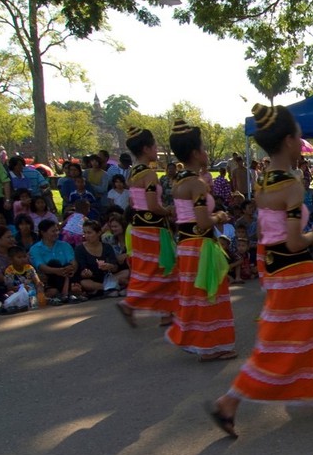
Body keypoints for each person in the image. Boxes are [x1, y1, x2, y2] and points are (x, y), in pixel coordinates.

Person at [208, 103, 313, 437]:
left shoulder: (263, 183)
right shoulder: (291, 186)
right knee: (279, 345)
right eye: (299, 137)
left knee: (312, 336)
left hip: (277, 270)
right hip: (295, 271)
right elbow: (293, 241)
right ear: (290, 140)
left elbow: (268, 236)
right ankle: (229, 402)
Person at [165, 119, 238, 361]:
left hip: (186, 244)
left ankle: (205, 344)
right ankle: (212, 346)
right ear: (196, 153)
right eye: (204, 148)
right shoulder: (195, 183)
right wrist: (220, 215)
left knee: (198, 295)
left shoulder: (179, 182)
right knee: (211, 293)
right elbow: (203, 222)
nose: (207, 153)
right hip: (200, 245)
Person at [117, 126, 178, 326]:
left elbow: (134, 203)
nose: (155, 149)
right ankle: (131, 303)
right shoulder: (149, 174)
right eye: (154, 146)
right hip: (152, 227)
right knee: (159, 269)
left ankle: (166, 312)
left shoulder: (133, 173)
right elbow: (152, 205)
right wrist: (168, 210)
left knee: (152, 269)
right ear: (146, 149)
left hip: (138, 226)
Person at [30, 219, 80, 303]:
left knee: (69, 266)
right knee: (54, 263)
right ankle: (67, 292)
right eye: (53, 231)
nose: (56, 233)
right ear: (43, 232)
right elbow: (41, 266)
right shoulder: (35, 248)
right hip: (49, 277)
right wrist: (57, 271)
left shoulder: (65, 245)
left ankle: (65, 293)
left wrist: (72, 268)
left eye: (57, 230)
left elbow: (72, 261)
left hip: (67, 274)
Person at [73, 220, 121, 298]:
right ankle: (109, 288)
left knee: (125, 273)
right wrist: (86, 273)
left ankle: (106, 288)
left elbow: (115, 267)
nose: (86, 236)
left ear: (98, 233)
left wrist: (109, 266)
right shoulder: (80, 249)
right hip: (91, 279)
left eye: (89, 233)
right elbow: (82, 269)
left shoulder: (107, 247)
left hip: (107, 276)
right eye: (84, 233)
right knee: (85, 283)